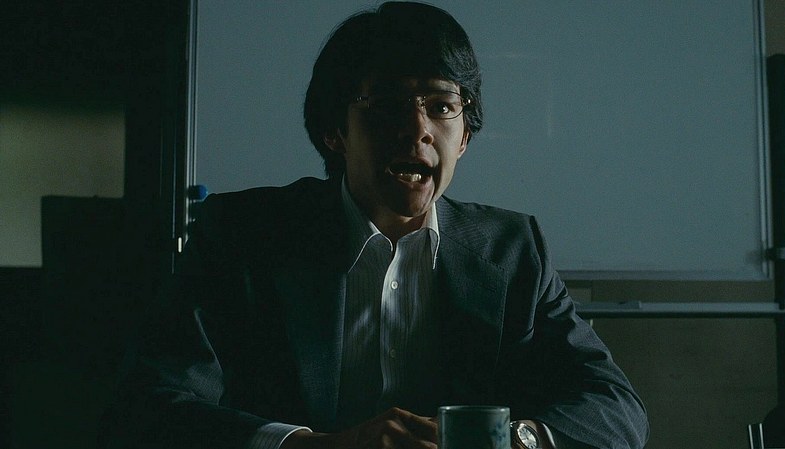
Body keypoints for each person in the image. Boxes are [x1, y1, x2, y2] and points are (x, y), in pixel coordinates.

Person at [103, 2, 648, 449]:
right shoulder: (242, 236)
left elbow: (616, 408)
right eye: (386, 103)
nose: (418, 129)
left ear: (464, 137)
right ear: (335, 132)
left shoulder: (511, 250)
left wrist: (511, 439)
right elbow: (148, 407)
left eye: (442, 106)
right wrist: (316, 447)